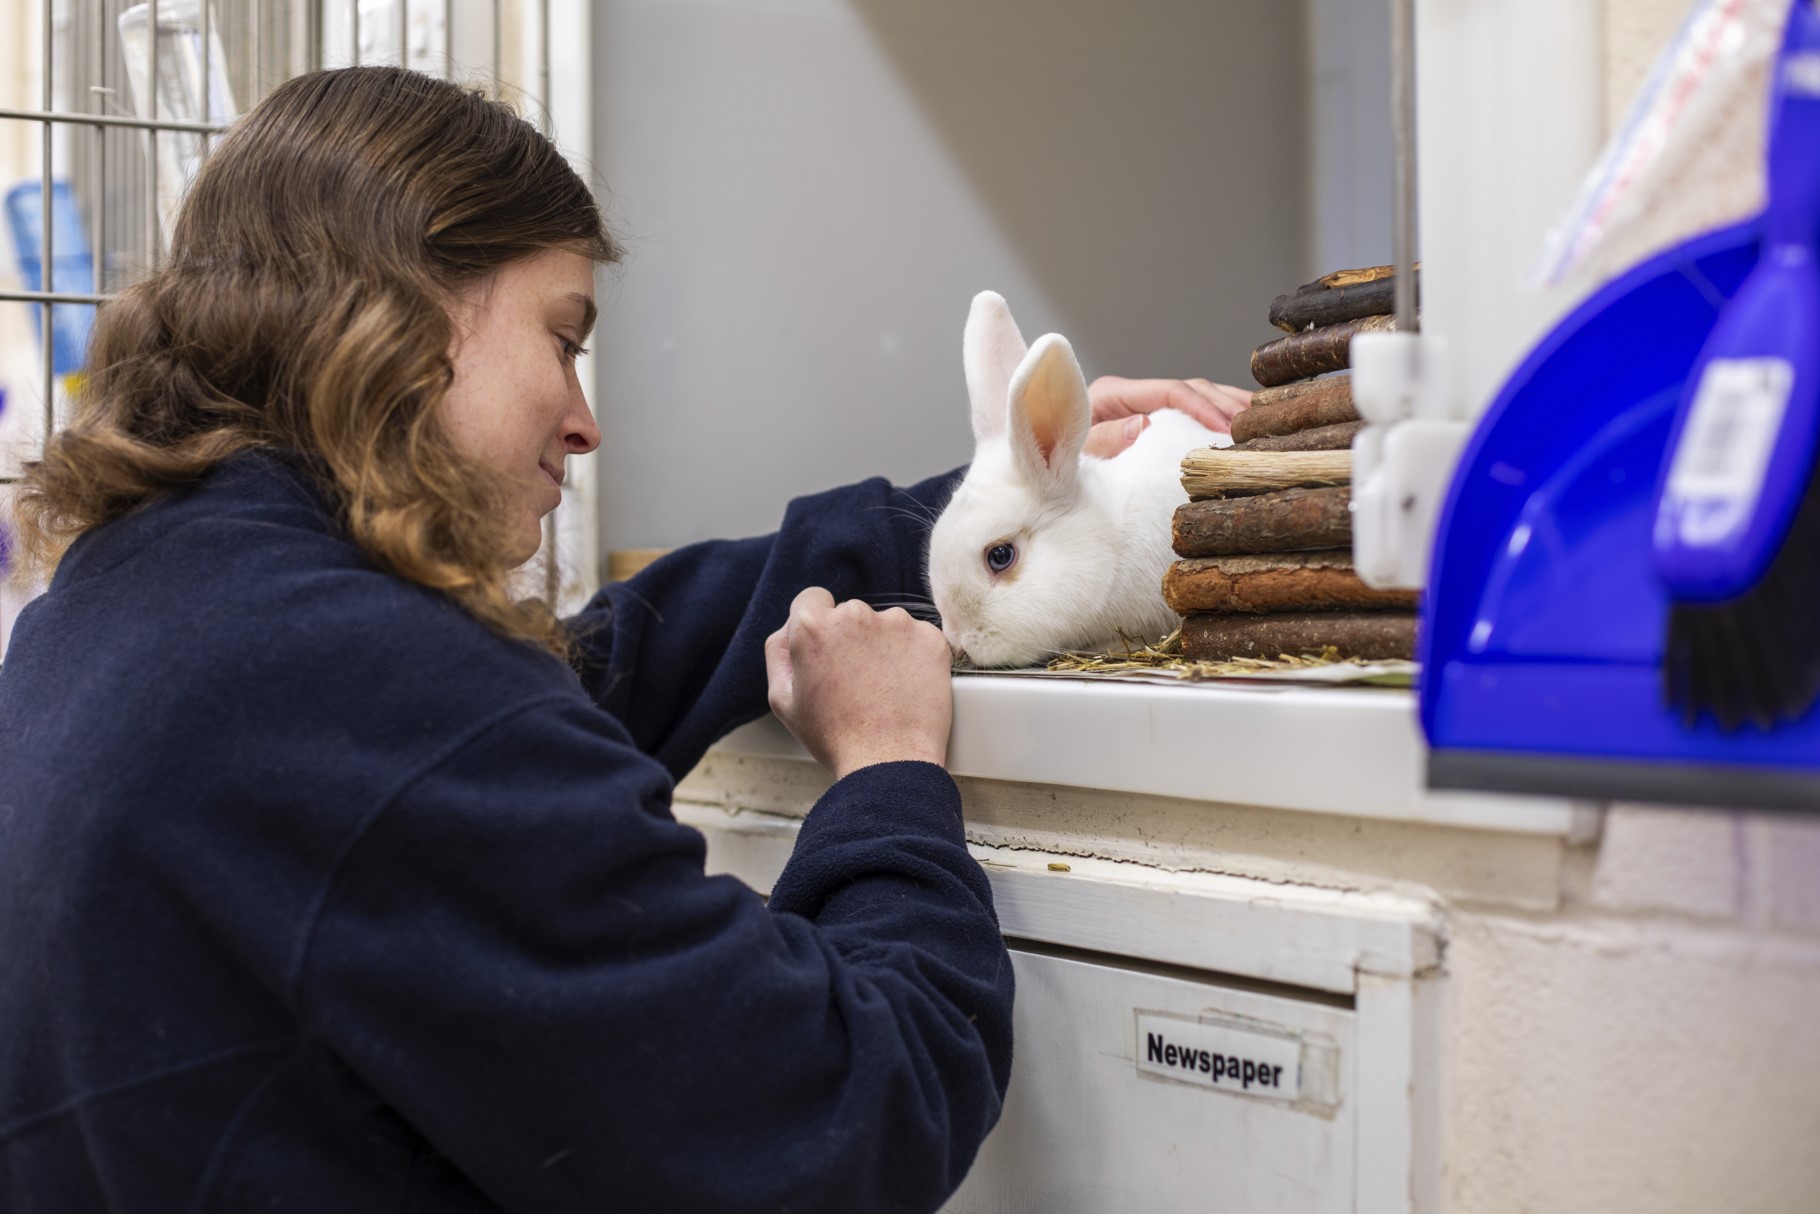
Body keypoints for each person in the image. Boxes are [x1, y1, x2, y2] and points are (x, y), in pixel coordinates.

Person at [0, 67, 1246, 1212]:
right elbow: (848, 1115)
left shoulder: (127, 613)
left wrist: (997, 512)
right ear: (407, 304)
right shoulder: (385, 703)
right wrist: (886, 778)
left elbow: (573, 681)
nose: (584, 419)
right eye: (562, 337)